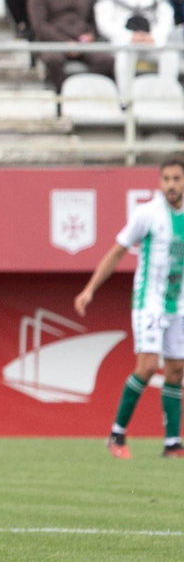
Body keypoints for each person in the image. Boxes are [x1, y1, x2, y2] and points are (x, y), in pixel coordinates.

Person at [74, 158, 184, 459]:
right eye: (166, 179)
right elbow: (117, 251)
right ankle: (116, 434)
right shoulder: (148, 213)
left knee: (176, 370)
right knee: (148, 366)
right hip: (149, 303)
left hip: (179, 304)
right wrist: (89, 289)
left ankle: (173, 443)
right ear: (160, 182)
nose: (171, 185)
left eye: (176, 179)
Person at [97, 0, 179, 98]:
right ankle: (126, 102)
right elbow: (104, 22)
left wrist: (154, 36)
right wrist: (129, 37)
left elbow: (167, 17)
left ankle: (165, 99)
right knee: (124, 57)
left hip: (151, 41)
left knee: (170, 54)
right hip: (122, 43)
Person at [28, 0, 117, 87]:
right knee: (53, 60)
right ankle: (62, 97)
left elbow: (93, 19)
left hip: (83, 41)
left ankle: (85, 91)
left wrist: (91, 35)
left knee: (107, 60)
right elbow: (39, 26)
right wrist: (65, 42)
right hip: (53, 43)